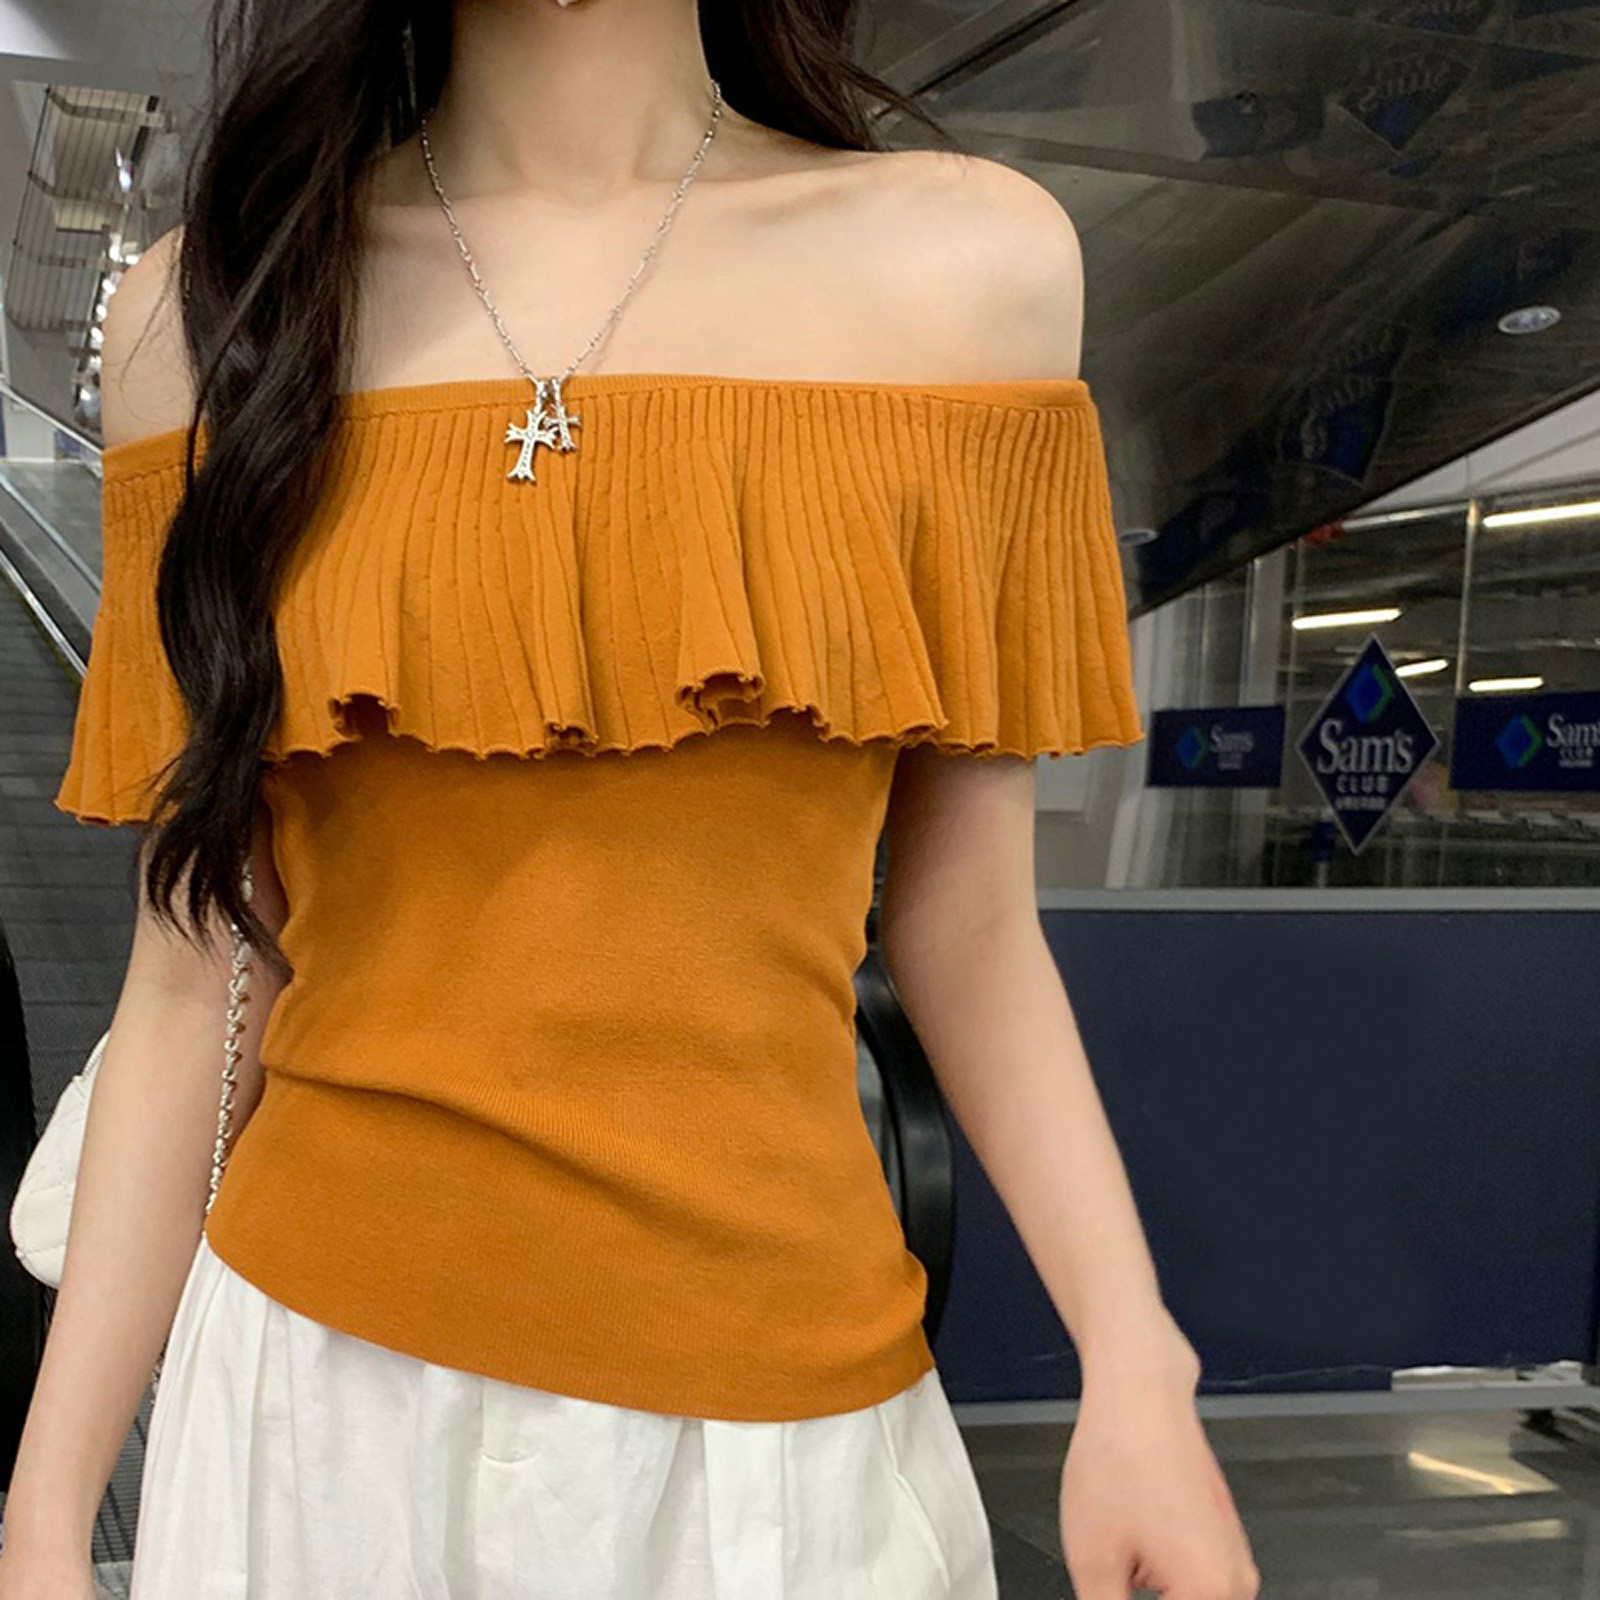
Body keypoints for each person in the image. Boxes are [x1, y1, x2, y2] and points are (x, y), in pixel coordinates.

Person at [0, 1, 1262, 1596]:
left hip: (777, 1432)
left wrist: (1135, 1360)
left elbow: (969, 926)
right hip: (317, 1416)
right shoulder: (212, 316)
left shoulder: (967, 273)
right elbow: (195, 971)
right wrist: (46, 1512)